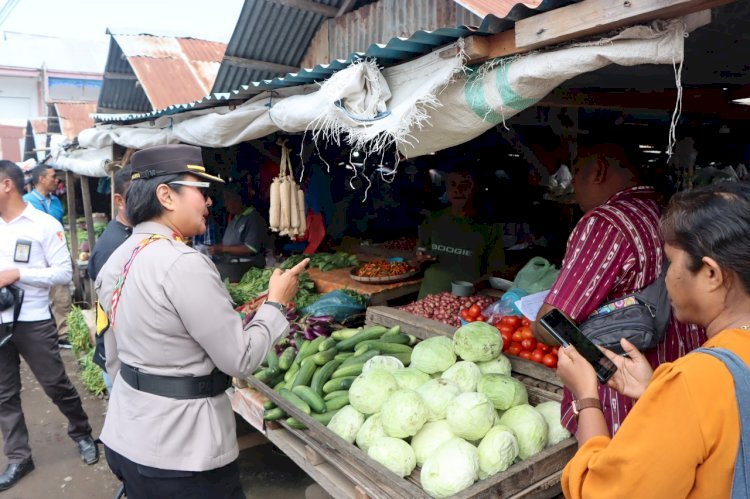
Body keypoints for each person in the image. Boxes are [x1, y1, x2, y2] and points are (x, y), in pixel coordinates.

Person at [95, 144, 308, 498]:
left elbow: (114, 353)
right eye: (200, 190)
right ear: (166, 195)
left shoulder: (117, 258)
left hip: (126, 433)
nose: (209, 202)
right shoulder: (183, 263)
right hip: (183, 453)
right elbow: (239, 359)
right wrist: (276, 304)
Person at [559, 181, 750, 498]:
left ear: (712, 275)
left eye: (670, 262)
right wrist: (654, 393)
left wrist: (586, 398)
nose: (666, 278)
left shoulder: (693, 382)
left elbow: (599, 492)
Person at [531, 142, 705, 436]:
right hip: (678, 389)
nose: (573, 183)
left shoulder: (606, 223)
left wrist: (535, 326)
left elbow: (552, 324)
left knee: (606, 478)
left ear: (598, 171)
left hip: (622, 405)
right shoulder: (671, 214)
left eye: (576, 172)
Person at [0, 160, 98, 492]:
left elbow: (63, 273)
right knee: (4, 395)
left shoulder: (43, 224)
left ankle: (82, 432)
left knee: (55, 384)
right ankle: (19, 457)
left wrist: (19, 274)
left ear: (6, 185)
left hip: (32, 321)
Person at [416, 170, 505, 298]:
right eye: (453, 184)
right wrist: (420, 257)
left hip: (467, 302)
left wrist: (475, 287)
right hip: (428, 298)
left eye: (465, 185)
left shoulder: (489, 228)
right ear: (447, 187)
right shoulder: (433, 220)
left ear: (476, 188)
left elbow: (495, 271)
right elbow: (419, 253)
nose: (458, 190)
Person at [88, 166, 133, 392]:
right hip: (119, 357)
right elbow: (117, 311)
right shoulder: (114, 246)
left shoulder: (129, 235)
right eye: (138, 195)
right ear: (119, 200)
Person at [23, 164, 71, 348]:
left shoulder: (57, 201)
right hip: (36, 258)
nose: (57, 180)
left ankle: (62, 334)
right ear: (41, 179)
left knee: (61, 295)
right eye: (53, 176)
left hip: (55, 254)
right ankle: (45, 334)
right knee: (41, 297)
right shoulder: (27, 202)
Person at [208, 182, 269, 268]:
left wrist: (222, 249)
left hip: (247, 269)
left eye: (228, 199)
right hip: (232, 266)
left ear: (239, 198)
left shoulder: (253, 217)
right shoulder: (234, 219)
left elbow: (251, 248)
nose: (225, 204)